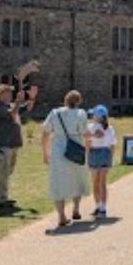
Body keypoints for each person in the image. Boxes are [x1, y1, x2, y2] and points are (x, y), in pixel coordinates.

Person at [41, 90, 92, 232]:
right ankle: (75, 209)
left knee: (58, 182)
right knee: (77, 179)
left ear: (65, 100)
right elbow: (85, 132)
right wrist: (88, 147)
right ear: (79, 101)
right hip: (76, 149)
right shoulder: (81, 113)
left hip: (58, 151)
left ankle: (62, 216)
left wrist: (45, 152)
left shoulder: (55, 113)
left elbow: (45, 133)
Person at [0, 81, 38, 212]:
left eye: (10, 92)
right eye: (7, 92)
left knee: (8, 171)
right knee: (4, 172)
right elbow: (12, 113)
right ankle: (2, 200)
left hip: (13, 144)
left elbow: (27, 108)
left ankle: (2, 196)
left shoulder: (11, 105)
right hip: (3, 144)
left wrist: (32, 97)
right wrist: (18, 100)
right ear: (0, 95)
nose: (10, 94)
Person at [85, 104, 115, 218]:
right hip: (105, 154)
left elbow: (88, 142)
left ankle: (97, 205)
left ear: (97, 116)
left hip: (94, 153)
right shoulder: (110, 128)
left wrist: (86, 155)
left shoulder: (91, 126)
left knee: (95, 182)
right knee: (103, 182)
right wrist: (110, 158)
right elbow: (112, 145)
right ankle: (103, 207)